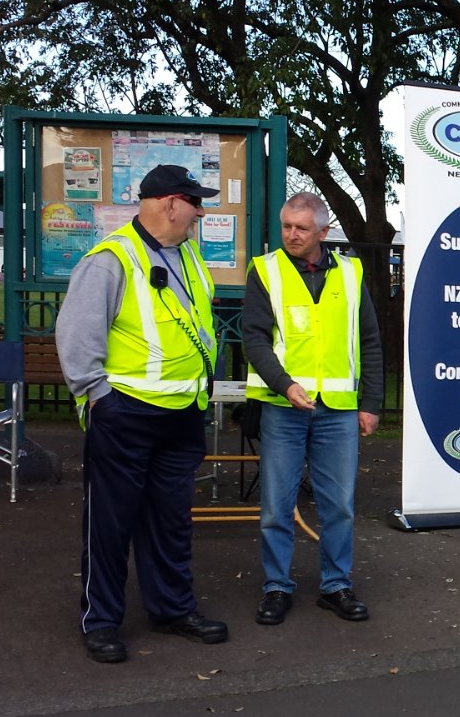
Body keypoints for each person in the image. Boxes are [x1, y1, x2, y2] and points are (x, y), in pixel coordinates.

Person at [56, 163, 228, 664]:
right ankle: (102, 621)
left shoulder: (188, 256)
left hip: (181, 415)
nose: (200, 211)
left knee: (171, 522)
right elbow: (76, 336)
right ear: (170, 203)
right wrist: (98, 397)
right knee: (109, 525)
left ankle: (172, 609)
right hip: (126, 414)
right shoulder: (110, 259)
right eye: (195, 202)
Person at [242, 191, 384, 626]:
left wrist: (372, 403)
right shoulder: (265, 270)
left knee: (338, 505)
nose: (291, 235)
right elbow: (254, 338)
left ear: (324, 231)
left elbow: (370, 342)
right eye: (286, 226)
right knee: (276, 506)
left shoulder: (350, 271)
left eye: (301, 228)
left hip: (338, 410)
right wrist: (284, 385)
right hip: (283, 408)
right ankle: (276, 587)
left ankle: (336, 585)